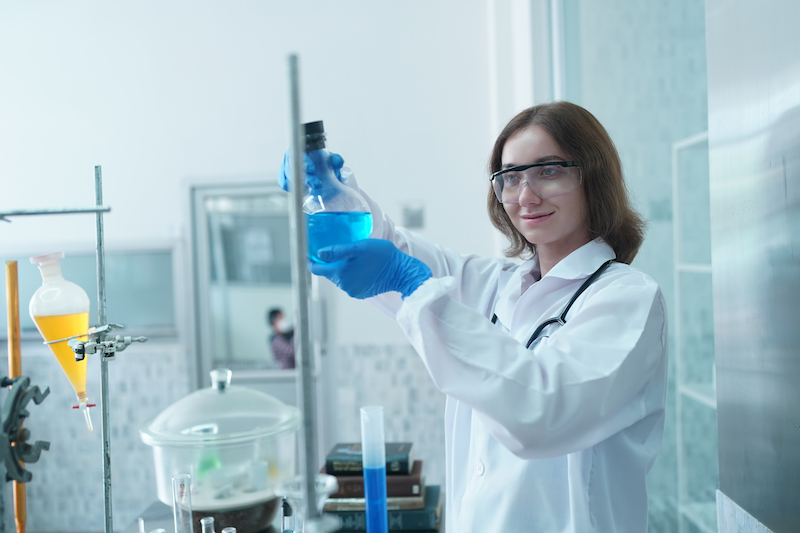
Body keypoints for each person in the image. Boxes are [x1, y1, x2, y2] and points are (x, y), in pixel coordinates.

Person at [282, 101, 667, 532]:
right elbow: (391, 245)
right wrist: (331, 191)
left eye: (549, 171)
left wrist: (411, 284)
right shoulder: (496, 284)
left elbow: (542, 413)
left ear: (591, 176)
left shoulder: (627, 298)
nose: (526, 195)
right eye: (511, 177)